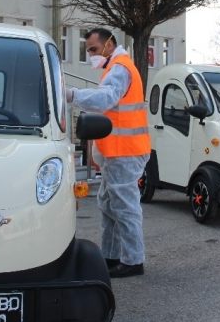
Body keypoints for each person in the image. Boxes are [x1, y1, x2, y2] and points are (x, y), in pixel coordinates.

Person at [66, 28, 151, 278]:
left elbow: (106, 99)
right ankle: (112, 257)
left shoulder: (120, 68)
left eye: (93, 49)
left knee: (124, 206)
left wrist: (72, 95)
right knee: (109, 204)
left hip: (126, 152)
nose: (91, 54)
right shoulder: (114, 68)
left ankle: (133, 261)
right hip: (119, 152)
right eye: (88, 50)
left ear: (109, 44)